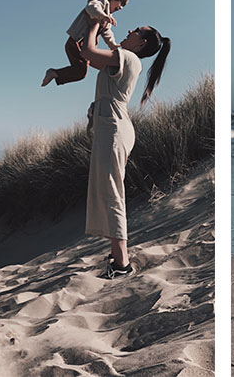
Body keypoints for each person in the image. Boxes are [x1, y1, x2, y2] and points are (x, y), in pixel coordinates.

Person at [79, 21, 170, 279]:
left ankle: (121, 265)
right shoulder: (126, 58)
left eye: (136, 31)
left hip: (114, 130)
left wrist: (95, 21)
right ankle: (116, 257)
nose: (130, 30)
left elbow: (88, 53)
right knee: (108, 191)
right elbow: (99, 53)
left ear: (141, 43)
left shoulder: (127, 57)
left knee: (112, 193)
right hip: (113, 128)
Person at [41, 0, 130, 87]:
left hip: (83, 45)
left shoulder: (108, 17)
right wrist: (102, 15)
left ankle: (55, 73)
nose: (120, 8)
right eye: (121, 3)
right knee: (81, 71)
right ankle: (54, 73)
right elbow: (91, 7)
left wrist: (112, 45)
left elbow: (107, 33)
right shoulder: (101, 0)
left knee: (81, 72)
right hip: (76, 42)